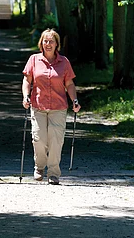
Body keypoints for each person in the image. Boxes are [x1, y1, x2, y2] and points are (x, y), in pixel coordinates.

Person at [22, 28, 81, 185]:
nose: (48, 44)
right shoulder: (34, 60)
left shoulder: (64, 62)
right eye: (45, 41)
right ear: (41, 43)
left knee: (56, 139)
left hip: (58, 107)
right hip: (38, 105)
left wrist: (74, 100)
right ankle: (39, 166)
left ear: (57, 45)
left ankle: (53, 173)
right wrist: (25, 96)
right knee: (39, 138)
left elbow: (69, 83)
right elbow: (27, 80)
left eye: (51, 41)